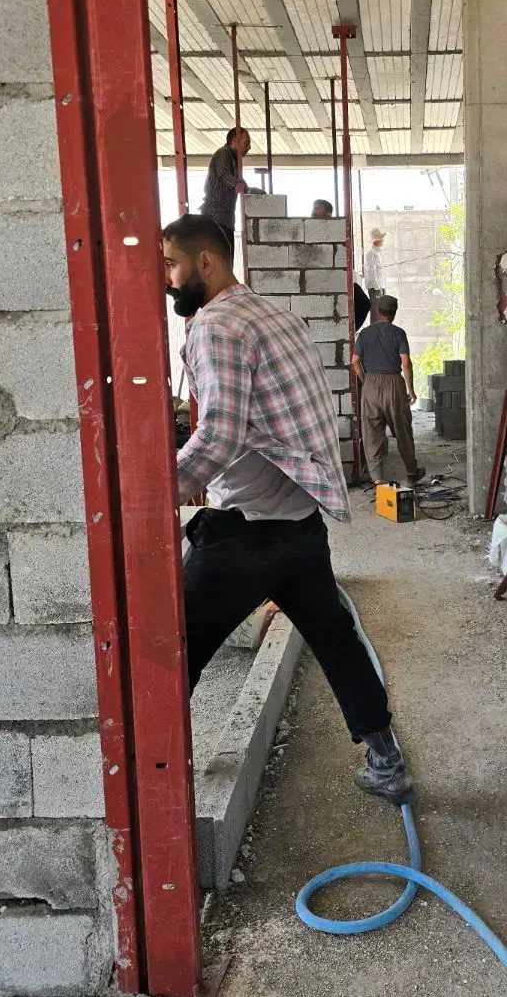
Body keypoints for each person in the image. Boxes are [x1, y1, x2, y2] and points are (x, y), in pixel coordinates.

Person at [163, 212, 412, 802]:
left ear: (205, 262)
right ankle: (387, 763)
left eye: (171, 266)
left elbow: (218, 434)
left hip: (242, 535)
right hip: (300, 525)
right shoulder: (277, 316)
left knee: (174, 654)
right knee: (337, 638)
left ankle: (160, 786)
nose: (166, 280)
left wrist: (153, 496)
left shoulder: (215, 327)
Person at [352, 295, 425, 487]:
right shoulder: (398, 333)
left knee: (372, 433)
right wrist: (411, 390)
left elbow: (355, 362)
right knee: (402, 429)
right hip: (394, 383)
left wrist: (365, 381)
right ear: (394, 313)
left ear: (378, 312)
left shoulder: (364, 334)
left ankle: (377, 479)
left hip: (371, 383)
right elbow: (406, 363)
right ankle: (411, 472)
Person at [310, 197, 370, 330]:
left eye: (318, 209)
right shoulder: (308, 231)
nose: (314, 212)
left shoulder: (334, 232)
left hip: (332, 278)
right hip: (317, 280)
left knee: (363, 302)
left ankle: (349, 331)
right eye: (314, 208)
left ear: (328, 215)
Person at [200, 127, 251, 259]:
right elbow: (225, 175)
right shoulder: (223, 153)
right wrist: (243, 188)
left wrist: (249, 190)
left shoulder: (234, 161)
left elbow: (239, 181)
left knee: (226, 261)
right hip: (214, 219)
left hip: (226, 220)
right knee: (218, 261)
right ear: (234, 141)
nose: (249, 148)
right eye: (246, 143)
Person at [363, 228, 387, 322]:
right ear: (377, 240)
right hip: (375, 287)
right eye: (381, 238)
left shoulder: (377, 252)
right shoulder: (371, 253)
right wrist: (377, 288)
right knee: (376, 312)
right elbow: (371, 271)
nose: (383, 240)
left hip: (380, 286)